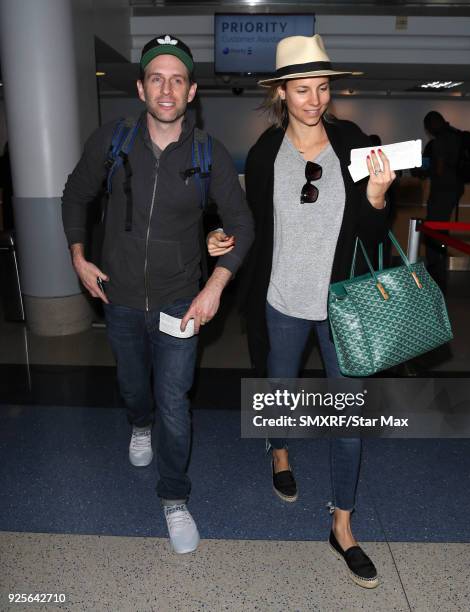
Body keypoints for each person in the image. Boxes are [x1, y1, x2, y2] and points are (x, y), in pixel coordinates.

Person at [208, 34, 394, 588]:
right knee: (281, 388)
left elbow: (371, 230)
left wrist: (379, 196)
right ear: (281, 93)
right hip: (282, 301)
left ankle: (342, 525)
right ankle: (280, 453)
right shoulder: (266, 153)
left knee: (349, 419)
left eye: (322, 87)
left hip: (342, 307)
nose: (314, 99)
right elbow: (252, 227)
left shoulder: (353, 142)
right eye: (301, 89)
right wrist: (222, 238)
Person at [62, 35, 254, 554]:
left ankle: (174, 499)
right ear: (141, 86)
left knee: (175, 401)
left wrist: (216, 283)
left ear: (192, 91)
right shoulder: (112, 140)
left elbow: (241, 222)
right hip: (118, 297)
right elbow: (75, 194)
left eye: (176, 80)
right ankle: (137, 424)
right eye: (155, 78)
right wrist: (79, 257)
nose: (165, 89)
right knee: (132, 386)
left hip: (180, 301)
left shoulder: (207, 153)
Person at [422, 110, 464, 290]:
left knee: (434, 229)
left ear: (432, 125)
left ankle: (435, 268)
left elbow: (438, 170)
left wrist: (423, 172)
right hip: (454, 189)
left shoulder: (440, 141)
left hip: (442, 191)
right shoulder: (456, 136)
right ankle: (440, 264)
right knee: (442, 229)